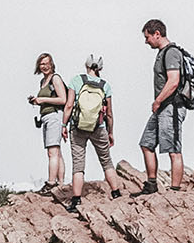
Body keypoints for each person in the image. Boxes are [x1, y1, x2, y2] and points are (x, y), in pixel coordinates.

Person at [61, 55, 124, 213]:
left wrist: (63, 124)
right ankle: (116, 192)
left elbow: (69, 105)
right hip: (98, 127)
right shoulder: (105, 86)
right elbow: (109, 113)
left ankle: (76, 200)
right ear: (100, 69)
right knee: (106, 161)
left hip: (78, 127)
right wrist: (110, 132)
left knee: (78, 164)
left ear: (86, 65)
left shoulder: (77, 80)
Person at [136, 19, 186, 195]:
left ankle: (175, 190)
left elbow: (174, 81)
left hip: (171, 107)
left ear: (157, 34)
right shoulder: (162, 53)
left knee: (173, 149)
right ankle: (151, 185)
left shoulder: (171, 52)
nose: (146, 41)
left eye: (147, 37)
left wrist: (158, 100)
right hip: (162, 108)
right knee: (146, 144)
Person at [28, 53, 68, 192]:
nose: (44, 66)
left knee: (52, 152)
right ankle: (61, 183)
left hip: (54, 116)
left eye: (47, 63)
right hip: (47, 116)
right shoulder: (43, 81)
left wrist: (42, 100)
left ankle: (51, 183)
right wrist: (36, 101)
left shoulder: (55, 79)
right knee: (56, 151)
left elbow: (63, 99)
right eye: (42, 64)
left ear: (52, 64)